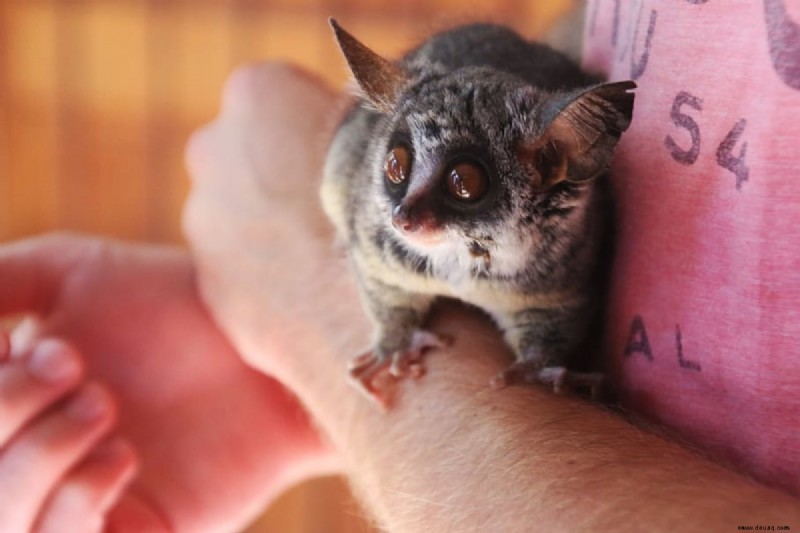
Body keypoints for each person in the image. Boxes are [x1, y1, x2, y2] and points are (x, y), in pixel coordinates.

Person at [2, 2, 799, 531]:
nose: (410, 209)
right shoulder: (414, 190)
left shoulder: (552, 210)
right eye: (398, 172)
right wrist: (267, 356)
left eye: (461, 183)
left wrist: (312, 294)